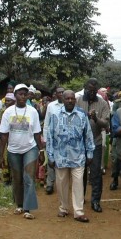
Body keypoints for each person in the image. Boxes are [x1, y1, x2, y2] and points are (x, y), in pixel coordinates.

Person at [46, 90, 95, 223]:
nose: (69, 101)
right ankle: (63, 208)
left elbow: (88, 135)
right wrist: (50, 155)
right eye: (67, 98)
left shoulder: (81, 114)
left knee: (78, 183)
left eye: (72, 98)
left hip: (78, 155)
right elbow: (49, 135)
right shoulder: (55, 114)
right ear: (62, 98)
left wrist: (90, 152)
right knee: (61, 183)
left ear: (75, 100)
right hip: (60, 156)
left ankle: (79, 212)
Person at [0, 84, 43, 220]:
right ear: (15, 95)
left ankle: (27, 208)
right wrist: (0, 155)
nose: (22, 96)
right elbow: (4, 135)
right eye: (20, 94)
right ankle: (19, 204)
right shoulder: (8, 112)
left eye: (25, 94)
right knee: (17, 179)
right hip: (13, 149)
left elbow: (37, 133)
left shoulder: (32, 111)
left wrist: (41, 150)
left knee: (29, 178)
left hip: (30, 148)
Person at [76, 78, 110, 213]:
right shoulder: (77, 101)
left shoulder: (102, 103)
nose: (91, 92)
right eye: (89, 90)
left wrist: (95, 118)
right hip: (78, 144)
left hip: (95, 142)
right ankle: (80, 198)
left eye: (94, 90)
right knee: (80, 173)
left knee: (96, 173)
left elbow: (106, 124)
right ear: (84, 88)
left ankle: (95, 201)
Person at [42, 86, 65, 195]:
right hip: (53, 138)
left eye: (63, 92)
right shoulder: (51, 106)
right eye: (59, 92)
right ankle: (50, 184)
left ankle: (63, 184)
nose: (61, 94)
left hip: (65, 139)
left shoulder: (70, 104)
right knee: (51, 161)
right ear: (55, 94)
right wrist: (45, 138)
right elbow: (46, 122)